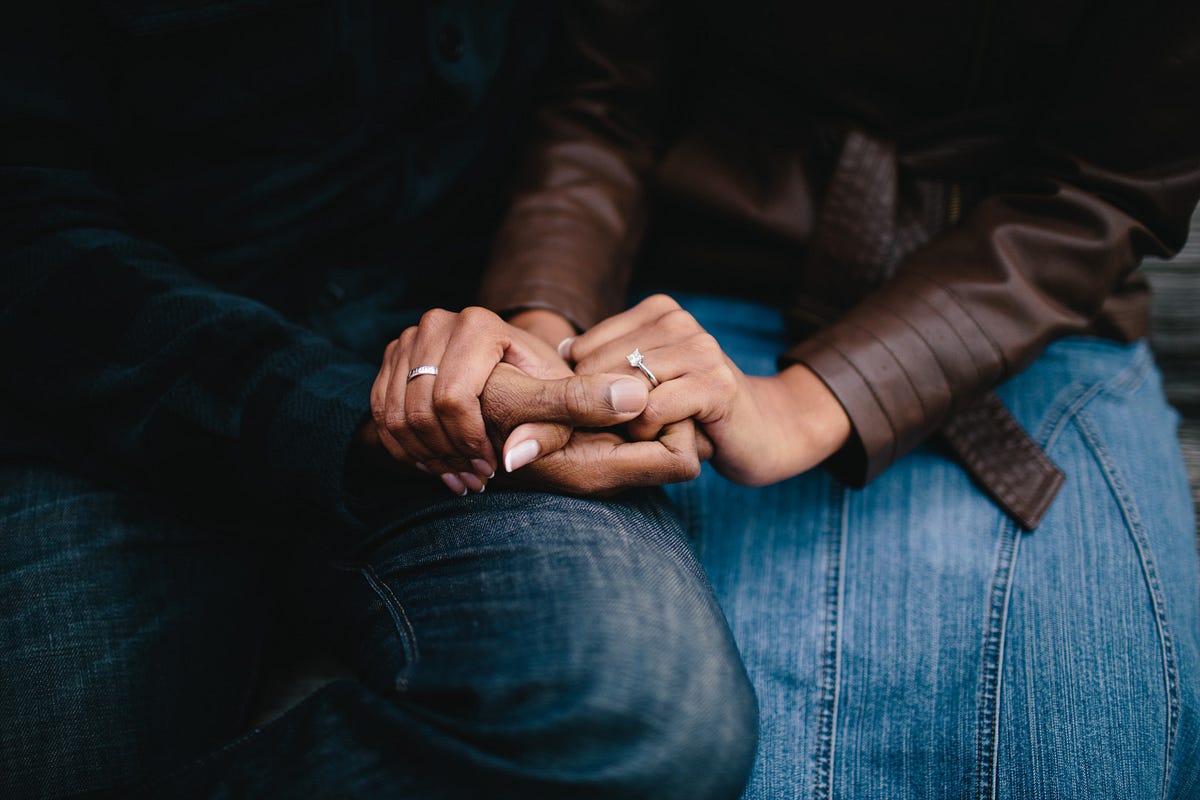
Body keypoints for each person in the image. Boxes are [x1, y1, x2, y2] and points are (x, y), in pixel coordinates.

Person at [380, 3, 1200, 798]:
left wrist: (803, 405)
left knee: (1080, 738)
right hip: (685, 315)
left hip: (1031, 320)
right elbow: (604, 106)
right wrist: (545, 337)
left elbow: (1108, 188)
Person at [0, 4, 758, 797]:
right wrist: (352, 413)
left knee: (635, 716)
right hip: (118, 398)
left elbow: (598, 99)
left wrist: (539, 327)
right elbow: (26, 217)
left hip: (476, 401)